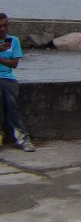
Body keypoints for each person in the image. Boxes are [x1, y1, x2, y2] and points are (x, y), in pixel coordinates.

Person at [0, 13, 35, 151]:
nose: (2, 29)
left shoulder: (13, 41)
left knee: (11, 106)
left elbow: (14, 64)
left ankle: (22, 138)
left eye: (5, 25)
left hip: (8, 78)